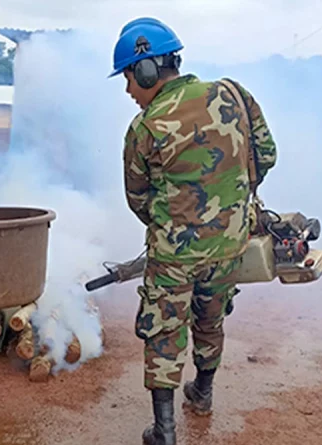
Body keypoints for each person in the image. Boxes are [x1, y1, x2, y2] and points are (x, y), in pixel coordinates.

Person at [110, 17, 277, 445]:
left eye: (129, 77)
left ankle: (164, 431)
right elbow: (267, 155)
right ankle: (202, 393)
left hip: (174, 255)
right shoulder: (234, 94)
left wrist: (177, 225)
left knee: (163, 331)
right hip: (229, 245)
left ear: (146, 70)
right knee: (210, 318)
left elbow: (139, 198)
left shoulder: (145, 128)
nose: (129, 90)